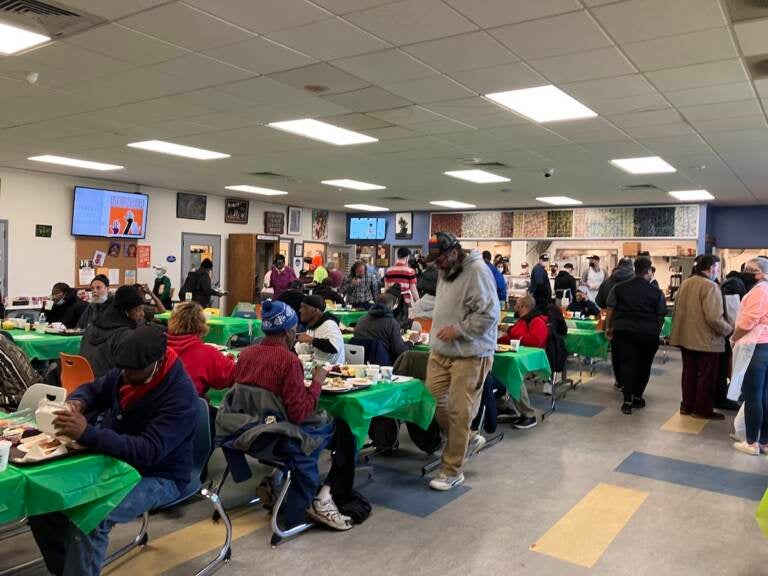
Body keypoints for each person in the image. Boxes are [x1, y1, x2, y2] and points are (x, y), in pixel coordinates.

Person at [31, 325, 198, 575]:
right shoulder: (128, 372)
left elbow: (148, 451)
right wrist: (79, 401)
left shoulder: (181, 397)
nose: (126, 375)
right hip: (116, 459)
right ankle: (68, 569)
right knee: (44, 500)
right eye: (123, 369)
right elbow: (96, 389)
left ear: (158, 362)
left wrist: (88, 434)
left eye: (133, 371)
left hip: (160, 474)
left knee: (92, 518)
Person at [228, 300, 354, 529]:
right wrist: (316, 383)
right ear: (288, 330)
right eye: (295, 327)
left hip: (249, 431)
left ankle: (277, 477)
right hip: (279, 435)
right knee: (344, 432)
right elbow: (299, 413)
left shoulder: (246, 355)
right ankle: (323, 497)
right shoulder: (288, 362)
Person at [424, 232, 499, 491]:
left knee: (459, 411)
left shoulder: (477, 272)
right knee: (430, 399)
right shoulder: (447, 271)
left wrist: (458, 329)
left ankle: (452, 470)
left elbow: (489, 314)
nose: (438, 265)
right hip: (441, 351)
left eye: (441, 259)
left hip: (470, 353)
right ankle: (467, 437)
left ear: (455, 252)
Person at [670, 254, 733, 420]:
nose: (718, 272)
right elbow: (714, 318)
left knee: (689, 374)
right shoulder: (710, 286)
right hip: (707, 341)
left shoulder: (686, 282)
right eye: (718, 269)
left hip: (686, 338)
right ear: (711, 268)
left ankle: (687, 406)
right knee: (706, 376)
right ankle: (702, 409)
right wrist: (730, 330)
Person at [607, 257, 669, 414]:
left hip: (623, 331)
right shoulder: (656, 292)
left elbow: (610, 309)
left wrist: (609, 327)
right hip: (647, 333)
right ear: (649, 271)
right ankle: (638, 397)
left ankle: (627, 401)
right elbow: (661, 314)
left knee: (627, 364)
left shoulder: (619, 288)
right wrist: (656, 329)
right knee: (644, 365)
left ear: (635, 270)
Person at [731, 257, 768, 455]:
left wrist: (734, 337)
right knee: (764, 395)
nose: (747, 272)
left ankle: (752, 442)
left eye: (751, 269)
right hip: (766, 346)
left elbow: (747, 322)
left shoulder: (760, 291)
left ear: (760, 273)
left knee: (753, 396)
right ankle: (764, 441)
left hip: (755, 347)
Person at [166, 301, 236, 397]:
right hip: (187, 408)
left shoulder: (157, 345)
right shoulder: (207, 353)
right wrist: (231, 360)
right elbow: (233, 376)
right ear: (201, 324)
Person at [495, 295, 544, 430]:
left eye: (517, 305)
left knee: (513, 374)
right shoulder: (522, 321)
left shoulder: (537, 321)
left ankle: (528, 414)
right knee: (494, 370)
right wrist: (497, 341)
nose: (515, 307)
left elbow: (535, 341)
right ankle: (503, 405)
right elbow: (512, 337)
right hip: (515, 356)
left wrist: (511, 335)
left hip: (530, 361)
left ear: (523, 307)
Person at [79, 285, 145, 377]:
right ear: (125, 312)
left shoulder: (91, 328)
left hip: (82, 383)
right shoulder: (125, 335)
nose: (143, 314)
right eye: (138, 310)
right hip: (107, 386)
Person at [354, 293, 420, 363]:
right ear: (393, 305)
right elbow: (400, 351)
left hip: (359, 362)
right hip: (383, 364)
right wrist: (411, 341)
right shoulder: (392, 324)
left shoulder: (361, 320)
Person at [296, 295, 345, 365]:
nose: (300, 310)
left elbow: (333, 347)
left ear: (316, 310)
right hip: (315, 367)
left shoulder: (329, 324)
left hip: (332, 371)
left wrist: (311, 339)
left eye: (304, 307)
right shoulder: (312, 326)